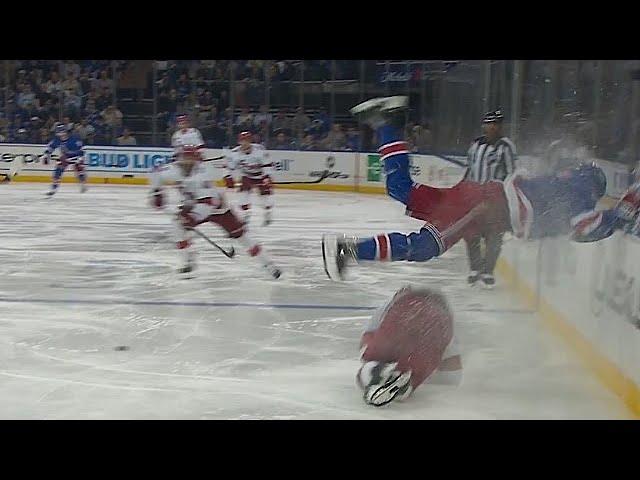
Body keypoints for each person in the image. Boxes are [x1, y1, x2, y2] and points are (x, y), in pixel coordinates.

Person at [321, 96, 612, 281]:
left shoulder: (558, 183)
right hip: (482, 205)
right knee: (424, 247)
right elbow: (585, 226)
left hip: (474, 198)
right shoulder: (573, 196)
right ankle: (351, 250)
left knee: (400, 189)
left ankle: (386, 121)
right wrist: (623, 215)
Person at [149, 145, 281, 279]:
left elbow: (209, 202)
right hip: (191, 205)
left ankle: (267, 264)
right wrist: (157, 193)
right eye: (185, 157)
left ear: (196, 159)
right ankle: (188, 260)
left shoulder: (204, 172)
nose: (187, 161)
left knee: (241, 237)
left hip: (218, 209)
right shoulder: (172, 169)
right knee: (177, 227)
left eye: (191, 158)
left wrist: (193, 217)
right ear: (179, 158)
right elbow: (155, 172)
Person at [357, 285, 462, 406]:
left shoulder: (390, 305)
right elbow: (452, 365)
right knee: (421, 363)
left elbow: (368, 340)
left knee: (371, 361)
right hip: (438, 321)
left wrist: (374, 358)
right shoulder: (444, 317)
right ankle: (406, 384)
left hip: (403, 313)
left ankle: (378, 373)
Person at [464, 109, 517, 288]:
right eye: (488, 123)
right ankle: (475, 268)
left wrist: (507, 198)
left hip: (495, 198)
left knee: (494, 235)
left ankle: (488, 270)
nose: (491, 127)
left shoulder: (506, 146)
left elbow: (511, 175)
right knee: (471, 233)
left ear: (500, 126)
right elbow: (469, 169)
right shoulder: (475, 145)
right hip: (474, 196)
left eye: (495, 124)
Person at [223, 131, 274, 226]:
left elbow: (267, 164)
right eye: (242, 141)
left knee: (266, 197)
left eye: (247, 140)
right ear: (239, 141)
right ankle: (246, 215)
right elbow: (228, 167)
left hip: (261, 175)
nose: (245, 143)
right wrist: (228, 177)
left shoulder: (259, 149)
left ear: (250, 141)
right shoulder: (234, 153)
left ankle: (268, 213)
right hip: (246, 175)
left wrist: (267, 177)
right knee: (242, 195)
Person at [42, 123, 87, 197]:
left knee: (79, 170)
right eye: (59, 132)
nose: (61, 134)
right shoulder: (56, 140)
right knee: (58, 171)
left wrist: (80, 158)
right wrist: (46, 155)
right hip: (65, 156)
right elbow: (50, 148)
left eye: (62, 132)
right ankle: (54, 189)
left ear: (66, 131)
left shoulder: (74, 139)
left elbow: (81, 149)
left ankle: (83, 184)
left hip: (76, 156)